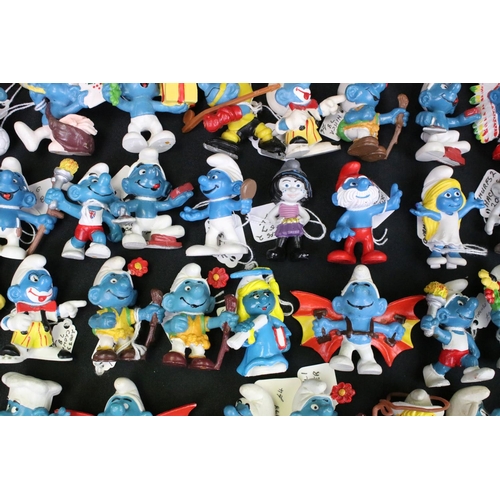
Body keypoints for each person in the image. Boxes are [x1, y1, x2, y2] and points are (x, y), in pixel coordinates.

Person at [410, 165, 485, 269]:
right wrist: (425, 212)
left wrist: (471, 205)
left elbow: (463, 211)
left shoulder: (456, 215)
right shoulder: (442, 215)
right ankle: (435, 255)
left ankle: (453, 255)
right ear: (434, 199)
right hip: (442, 234)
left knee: (453, 245)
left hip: (453, 236)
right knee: (439, 244)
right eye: (448, 195)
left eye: (457, 193)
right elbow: (433, 215)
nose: (455, 199)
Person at [327, 161, 402, 265]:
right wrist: (340, 229)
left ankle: (368, 253)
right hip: (352, 234)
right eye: (353, 184)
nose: (363, 184)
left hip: (367, 234)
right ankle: (348, 254)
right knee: (349, 244)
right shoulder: (349, 213)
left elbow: (387, 206)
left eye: (367, 182)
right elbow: (341, 223)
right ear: (336, 199)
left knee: (368, 244)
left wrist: (392, 203)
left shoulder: (370, 209)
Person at [228, 268, 292, 377]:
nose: (263, 299)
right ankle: (255, 365)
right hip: (256, 352)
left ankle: (274, 363)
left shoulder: (273, 320)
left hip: (274, 351)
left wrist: (285, 341)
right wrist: (243, 331)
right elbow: (243, 337)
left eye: (267, 294)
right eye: (256, 296)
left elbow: (283, 332)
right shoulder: (249, 322)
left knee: (279, 364)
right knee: (257, 364)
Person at [265, 160, 314, 261]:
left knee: (297, 236)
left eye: (298, 186)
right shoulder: (280, 205)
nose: (293, 190)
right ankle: (279, 249)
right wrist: (276, 222)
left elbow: (306, 216)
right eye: (286, 185)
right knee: (282, 236)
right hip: (283, 224)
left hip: (295, 224)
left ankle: (297, 249)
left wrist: (302, 222)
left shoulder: (297, 206)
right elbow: (271, 216)